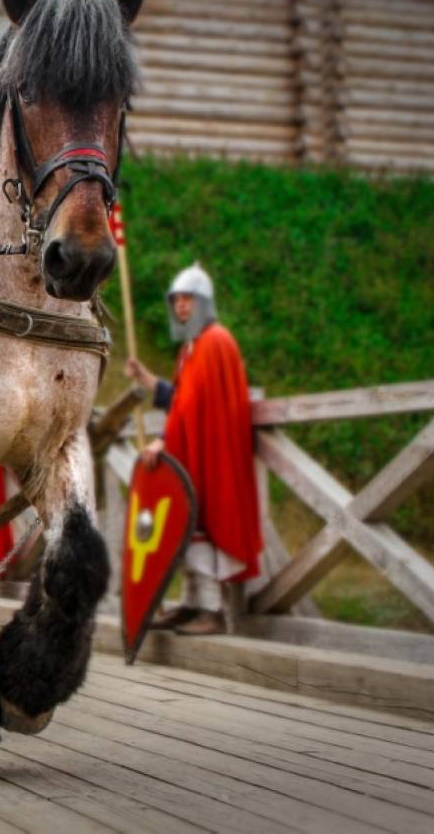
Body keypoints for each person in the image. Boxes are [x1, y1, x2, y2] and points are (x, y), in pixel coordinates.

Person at [126, 262, 263, 636]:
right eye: (177, 300)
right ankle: (191, 604)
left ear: (203, 302)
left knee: (201, 524)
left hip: (210, 454)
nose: (181, 306)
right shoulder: (192, 347)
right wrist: (146, 379)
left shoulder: (214, 343)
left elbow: (191, 410)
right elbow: (181, 400)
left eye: (188, 299)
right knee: (186, 527)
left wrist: (165, 440)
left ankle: (212, 611)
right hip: (192, 450)